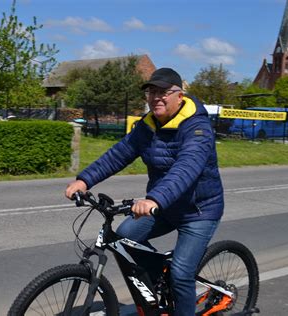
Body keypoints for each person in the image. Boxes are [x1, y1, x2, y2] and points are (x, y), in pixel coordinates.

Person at [65, 68, 224, 316]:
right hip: (164, 207)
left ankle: (176, 291)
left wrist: (153, 199)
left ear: (179, 96)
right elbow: (119, 154)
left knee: (182, 273)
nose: (156, 97)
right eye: (151, 92)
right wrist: (85, 180)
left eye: (163, 92)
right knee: (125, 237)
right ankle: (158, 288)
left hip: (198, 211)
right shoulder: (147, 126)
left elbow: (187, 168)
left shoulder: (197, 128)